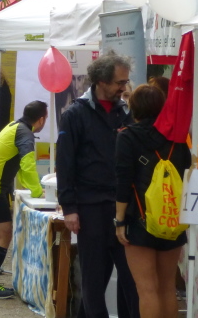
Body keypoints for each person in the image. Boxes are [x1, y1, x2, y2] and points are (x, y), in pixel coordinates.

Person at [57, 52, 139, 318]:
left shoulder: (125, 113)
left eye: (125, 82)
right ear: (101, 81)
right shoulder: (75, 114)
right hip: (91, 207)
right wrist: (69, 207)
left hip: (123, 207)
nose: (124, 87)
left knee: (130, 280)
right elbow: (65, 163)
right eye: (119, 82)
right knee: (93, 280)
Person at [115, 85, 191, 318]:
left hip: (140, 220)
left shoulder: (127, 136)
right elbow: (187, 170)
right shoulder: (178, 137)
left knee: (146, 289)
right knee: (167, 287)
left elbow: (123, 181)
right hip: (172, 216)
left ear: (134, 107)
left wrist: (119, 221)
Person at [0, 101, 46, 299]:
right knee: (4, 232)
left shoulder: (14, 126)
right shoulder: (25, 133)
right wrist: (37, 191)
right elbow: (27, 165)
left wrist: (32, 188)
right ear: (41, 119)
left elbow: (19, 165)